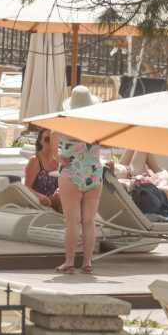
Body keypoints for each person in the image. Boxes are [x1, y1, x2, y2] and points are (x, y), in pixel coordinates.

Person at [56, 86, 103, 275]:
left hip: (71, 173)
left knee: (72, 221)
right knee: (89, 221)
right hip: (93, 173)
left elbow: (52, 144)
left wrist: (59, 155)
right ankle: (87, 261)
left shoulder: (64, 124)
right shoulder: (98, 125)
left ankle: (68, 261)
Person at [24, 128, 61, 212]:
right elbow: (26, 187)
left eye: (54, 139)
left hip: (57, 201)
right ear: (41, 142)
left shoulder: (59, 161)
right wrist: (39, 196)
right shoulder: (35, 160)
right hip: (40, 203)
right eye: (47, 139)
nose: (51, 142)